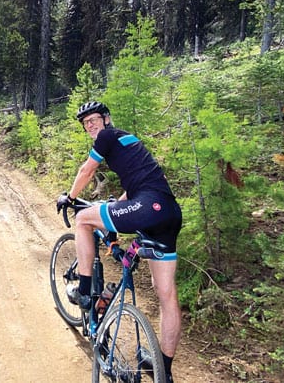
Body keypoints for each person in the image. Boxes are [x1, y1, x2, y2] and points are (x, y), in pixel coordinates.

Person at [56, 101, 182, 382]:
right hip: (169, 213)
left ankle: (85, 291)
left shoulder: (107, 136)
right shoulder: (128, 141)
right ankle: (163, 369)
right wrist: (116, 203)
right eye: (85, 123)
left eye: (94, 119)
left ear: (106, 119)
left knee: (83, 220)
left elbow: (86, 171)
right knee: (165, 293)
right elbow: (139, 185)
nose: (90, 125)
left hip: (149, 207)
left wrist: (71, 198)